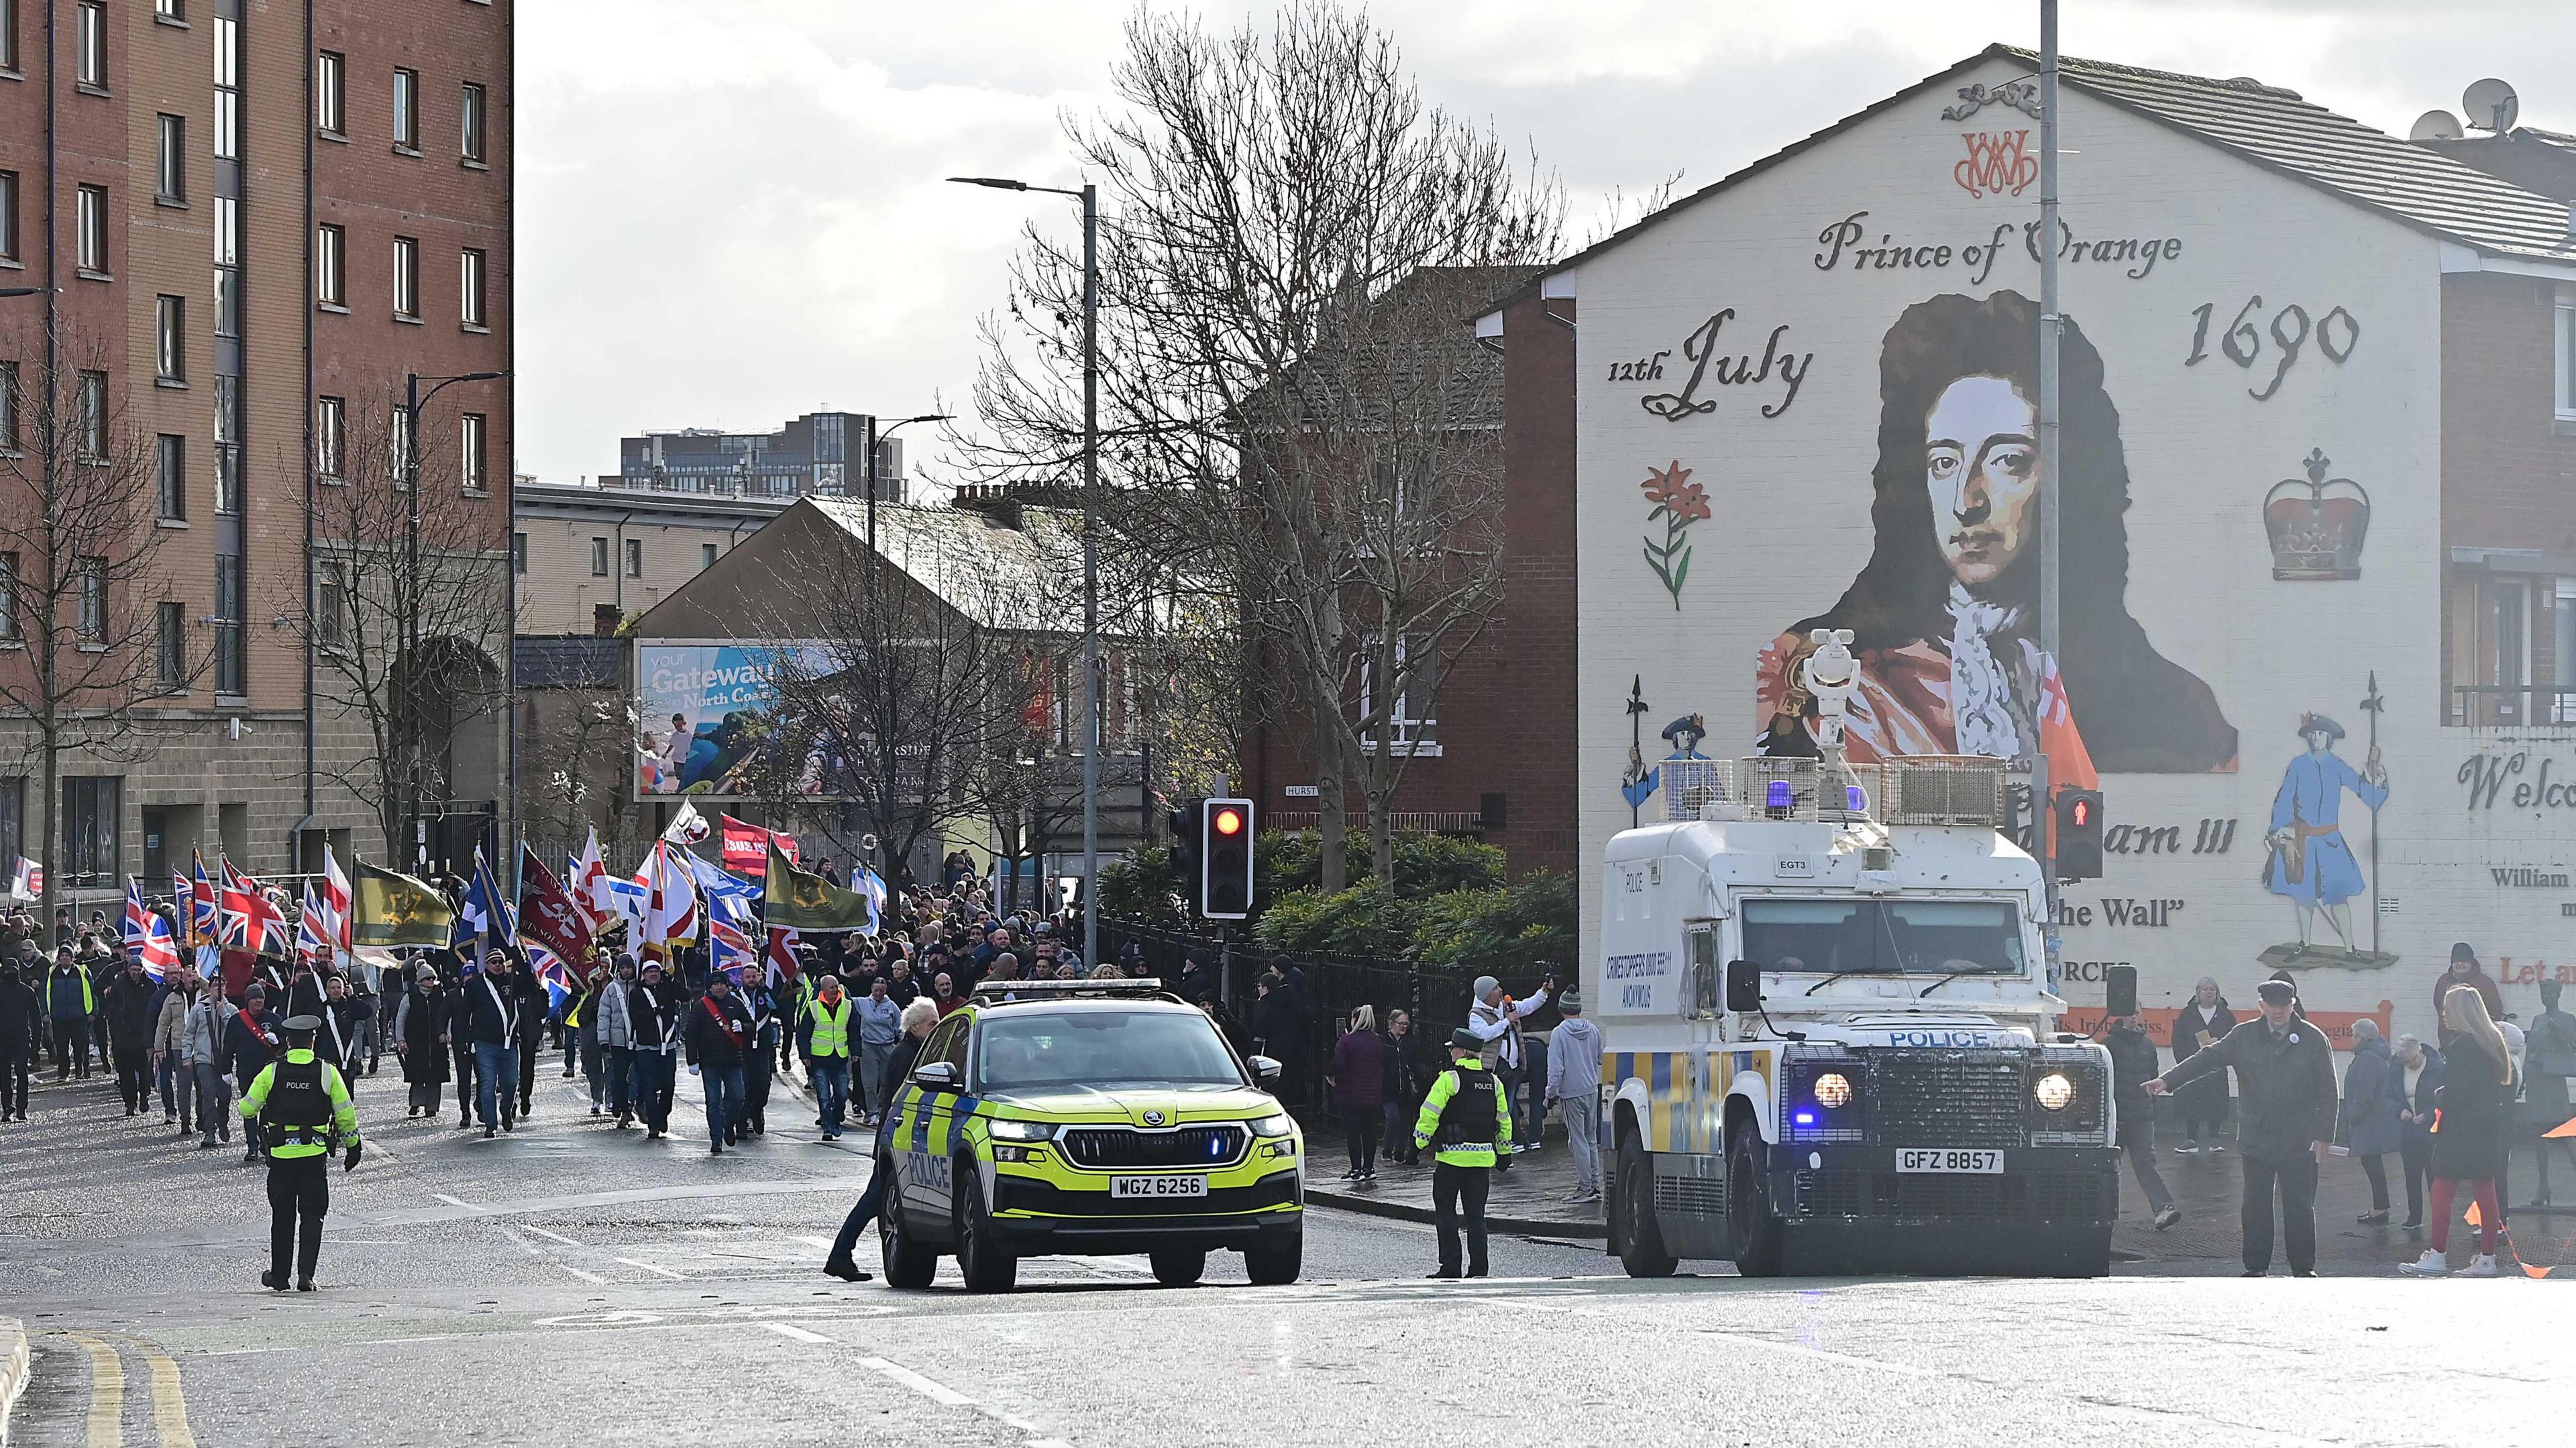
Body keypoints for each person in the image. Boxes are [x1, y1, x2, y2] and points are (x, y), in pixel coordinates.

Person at [1753, 288, 2235, 776]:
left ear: (2064, 479)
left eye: (2008, 460)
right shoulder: (1816, 671)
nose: (1967, 501)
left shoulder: (2175, 706)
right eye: (1944, 461)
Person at [2145, 977, 2334, 1276]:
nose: (2277, 1013)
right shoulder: (2243, 1036)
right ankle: (2256, 1267)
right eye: (2271, 1006)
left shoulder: (2313, 1039)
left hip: (2299, 1138)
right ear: (2261, 1006)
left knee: (2299, 1206)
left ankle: (2303, 1268)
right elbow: (2207, 1059)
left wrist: (2324, 1136)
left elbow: (2328, 1089)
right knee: (2255, 1206)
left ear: (2292, 1006)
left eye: (2283, 1006)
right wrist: (2167, 1081)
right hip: (2256, 1136)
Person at [237, 1013, 362, 1292]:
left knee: (282, 1217)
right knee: (313, 1215)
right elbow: (345, 1114)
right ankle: (306, 1275)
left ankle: (280, 1276)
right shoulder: (327, 1072)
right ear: (313, 1041)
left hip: (281, 1158)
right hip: (313, 1157)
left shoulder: (271, 1072)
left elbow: (247, 1109)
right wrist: (353, 1147)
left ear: (289, 1042)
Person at [822, 997, 943, 1282]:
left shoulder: (912, 1051)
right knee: (875, 1201)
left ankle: (843, 1255)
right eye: (932, 1023)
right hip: (896, 1139)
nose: (936, 1027)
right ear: (914, 1027)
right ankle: (841, 1255)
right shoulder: (907, 1056)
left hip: (893, 1139)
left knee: (877, 1201)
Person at [2402, 987, 2516, 1276]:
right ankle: (2487, 1259)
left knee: (2441, 1190)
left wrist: (2440, 1096)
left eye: (2446, 1008)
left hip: (2460, 1130)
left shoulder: (2461, 1046)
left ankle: (2437, 1255)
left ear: (2459, 1011)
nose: (2443, 1014)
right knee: (2486, 1192)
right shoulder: (2493, 1043)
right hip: (2488, 1129)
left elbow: (2457, 1093)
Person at [1413, 1028, 1513, 1279]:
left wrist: (1417, 1143)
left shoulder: (1450, 1079)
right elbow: (1504, 1121)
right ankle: (1479, 1268)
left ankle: (1450, 1267)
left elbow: (1430, 1113)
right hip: (1481, 1162)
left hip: (1451, 1160)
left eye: (1452, 1048)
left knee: (1446, 1212)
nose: (1450, 1051)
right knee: (1476, 1216)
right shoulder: (1494, 1082)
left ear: (1462, 1052)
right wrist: (1504, 1152)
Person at [2096, 1010, 2181, 1230]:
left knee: (2145, 1163)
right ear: (2122, 1016)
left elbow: (2153, 1077)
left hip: (2141, 1115)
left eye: (2137, 1013)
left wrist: (2151, 1107)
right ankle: (2098, 1211)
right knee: (2108, 1165)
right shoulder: (2108, 1044)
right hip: (2118, 1115)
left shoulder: (2148, 1045)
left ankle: (2163, 1208)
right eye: (2130, 1013)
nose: (2134, 1017)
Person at [1466, 973, 1550, 1150]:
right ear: (1487, 995)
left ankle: (1516, 1140)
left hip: (1514, 1066)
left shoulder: (1506, 1006)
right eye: (1496, 989)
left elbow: (1528, 1006)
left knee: (1509, 1104)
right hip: (1495, 1069)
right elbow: (1483, 1035)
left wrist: (1543, 993)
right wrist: (1506, 1022)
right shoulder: (1476, 1015)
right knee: (1506, 1105)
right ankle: (1514, 1140)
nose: (1501, 991)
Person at [2337, 1018, 2404, 1225]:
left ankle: (2380, 1209)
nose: (2352, 1039)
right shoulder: (2376, 1055)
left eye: (2355, 1035)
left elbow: (2365, 1092)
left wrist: (2353, 1115)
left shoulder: (2367, 1058)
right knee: (2373, 1164)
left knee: (2372, 1164)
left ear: (2363, 1038)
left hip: (2368, 1121)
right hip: (2374, 1119)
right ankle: (2380, 1207)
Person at [683, 972, 753, 1155]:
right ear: (710, 988)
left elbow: (750, 1025)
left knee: (738, 1096)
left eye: (722, 984)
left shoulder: (736, 1003)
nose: (719, 988)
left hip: (732, 1060)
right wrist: (692, 1060)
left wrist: (742, 1027)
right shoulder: (701, 1007)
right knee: (714, 1102)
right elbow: (690, 1033)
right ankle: (716, 1139)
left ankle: (728, 1126)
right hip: (709, 1062)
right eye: (715, 985)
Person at [1546, 990, 1605, 1204]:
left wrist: (1550, 1094)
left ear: (1562, 1009)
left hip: (1571, 1093)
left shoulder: (1559, 1034)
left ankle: (1584, 1188)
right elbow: (1600, 1058)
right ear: (1579, 1009)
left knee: (1578, 1140)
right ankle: (1595, 1185)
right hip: (1591, 1090)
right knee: (1591, 1140)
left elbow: (1555, 1069)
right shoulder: (1593, 1030)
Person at [2521, 979, 2576, 1207]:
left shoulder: (2567, 1019)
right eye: (2543, 993)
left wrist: (2559, 1033)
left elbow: (2572, 1049)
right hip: (2536, 1083)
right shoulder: (2537, 1020)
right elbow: (2531, 1050)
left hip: (2554, 1085)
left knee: (2566, 1135)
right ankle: (2543, 1186)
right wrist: (2523, 1078)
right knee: (2539, 1138)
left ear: (2558, 995)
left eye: (2550, 993)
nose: (2546, 996)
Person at [2169, 977, 2235, 1153]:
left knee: (2216, 1101)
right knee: (2191, 1102)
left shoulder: (2226, 1015)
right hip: (2193, 1066)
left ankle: (2214, 1139)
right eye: (2205, 989)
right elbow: (2178, 1038)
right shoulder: (2188, 1014)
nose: (2209, 992)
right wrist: (2183, 1060)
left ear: (2217, 993)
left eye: (2212, 989)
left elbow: (2233, 1039)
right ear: (2198, 992)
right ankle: (2191, 1140)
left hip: (2216, 1066)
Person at [1326, 1005, 1387, 1182]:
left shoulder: (1347, 1041)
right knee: (1369, 1131)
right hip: (1373, 1093)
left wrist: (1328, 1074)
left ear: (1354, 1020)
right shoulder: (1377, 1041)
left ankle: (1356, 1169)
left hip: (1351, 1094)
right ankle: (1369, 1168)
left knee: (1354, 1132)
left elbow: (1338, 1064)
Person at [2393, 1034, 2445, 1233]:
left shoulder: (2437, 1068)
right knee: (2411, 1176)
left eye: (2412, 1061)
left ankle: (2439, 1217)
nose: (2410, 1065)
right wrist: (2400, 1110)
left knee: (2435, 1176)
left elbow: (2444, 1097)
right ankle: (2414, 1217)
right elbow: (2388, 1095)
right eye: (2406, 1062)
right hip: (2408, 1131)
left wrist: (2428, 1115)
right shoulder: (2396, 1067)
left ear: (2420, 1053)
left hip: (2431, 1131)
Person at [625, 960, 682, 1140]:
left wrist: (671, 981)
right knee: (648, 1086)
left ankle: (663, 1113)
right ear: (644, 975)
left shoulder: (668, 989)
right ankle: (653, 1124)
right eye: (650, 972)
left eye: (657, 971)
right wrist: (656, 1010)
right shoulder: (637, 993)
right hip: (646, 1047)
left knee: (669, 1085)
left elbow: (686, 996)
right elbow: (636, 1016)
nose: (654, 975)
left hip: (668, 1046)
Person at [227, 986, 284, 1161]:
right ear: (248, 1000)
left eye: (261, 998)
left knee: (268, 1110)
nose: (258, 1001)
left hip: (269, 1073)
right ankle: (252, 1145)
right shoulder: (237, 1021)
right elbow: (228, 1048)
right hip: (247, 1072)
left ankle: (265, 1142)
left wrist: (278, 1041)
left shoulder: (274, 1020)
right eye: (254, 998)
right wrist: (225, 1070)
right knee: (249, 1110)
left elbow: (286, 1046)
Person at [101, 957, 160, 1117]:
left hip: (143, 1034)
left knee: (145, 1071)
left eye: (138, 969)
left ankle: (144, 1096)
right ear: (128, 969)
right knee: (126, 1073)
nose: (136, 973)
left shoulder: (150, 986)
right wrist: (118, 1017)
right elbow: (110, 1007)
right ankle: (130, 1103)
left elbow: (155, 1007)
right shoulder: (119, 985)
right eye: (133, 969)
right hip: (123, 1036)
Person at [393, 965, 450, 1120]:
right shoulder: (410, 996)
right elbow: (400, 1019)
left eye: (433, 978)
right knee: (417, 1074)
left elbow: (447, 1015)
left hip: (436, 1041)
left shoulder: (441, 995)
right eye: (427, 978)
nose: (431, 981)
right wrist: (400, 1039)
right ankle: (416, 1102)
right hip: (416, 1041)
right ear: (420, 980)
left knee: (435, 1075)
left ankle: (432, 1107)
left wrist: (447, 1033)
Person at [802, 974, 854, 1140]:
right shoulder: (813, 1007)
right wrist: (805, 1055)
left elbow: (854, 1030)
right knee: (823, 1096)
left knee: (842, 1093)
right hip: (819, 1059)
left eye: (837, 986)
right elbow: (803, 1033)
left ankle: (836, 1116)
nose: (836, 990)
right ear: (823, 990)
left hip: (839, 1058)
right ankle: (827, 1126)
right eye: (832, 987)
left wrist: (856, 1052)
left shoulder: (848, 1006)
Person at [2432, 944, 2504, 1048]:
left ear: (2471, 962)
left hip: (2477, 1043)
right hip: (2447, 1041)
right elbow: (2438, 1004)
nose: (2460, 964)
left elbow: (2495, 1010)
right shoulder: (2443, 982)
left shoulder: (2484, 983)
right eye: (2457, 961)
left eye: (2464, 961)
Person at [854, 974, 901, 1129]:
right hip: (868, 1046)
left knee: (885, 1081)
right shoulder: (862, 1003)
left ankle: (882, 1108)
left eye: (882, 991)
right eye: (876, 991)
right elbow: (846, 1001)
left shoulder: (892, 1006)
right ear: (872, 990)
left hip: (887, 1046)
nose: (879, 994)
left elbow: (899, 1026)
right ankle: (872, 1111)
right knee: (869, 1082)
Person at [594, 956, 635, 1123]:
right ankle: (621, 1105)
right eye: (623, 967)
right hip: (618, 1041)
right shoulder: (611, 989)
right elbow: (604, 1015)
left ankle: (634, 1105)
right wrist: (604, 1039)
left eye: (629, 967)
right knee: (619, 1076)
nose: (626, 971)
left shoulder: (639, 988)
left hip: (637, 1041)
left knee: (637, 1077)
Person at [46, 946, 95, 1081]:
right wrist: (45, 1012)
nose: (65, 958)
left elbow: (92, 990)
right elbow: (44, 993)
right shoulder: (52, 973)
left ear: (72, 958)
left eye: (67, 955)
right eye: (62, 956)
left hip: (79, 1016)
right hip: (59, 1016)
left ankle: (79, 1069)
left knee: (79, 1045)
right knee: (61, 1047)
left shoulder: (82, 971)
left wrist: (93, 1011)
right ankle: (63, 1073)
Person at [739, 972, 778, 1137]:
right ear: (742, 978)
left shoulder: (764, 994)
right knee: (745, 1086)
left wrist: (764, 987)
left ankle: (756, 1110)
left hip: (762, 1048)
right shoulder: (736, 996)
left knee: (763, 1086)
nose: (751, 980)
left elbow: (777, 1006)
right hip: (742, 1047)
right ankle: (743, 1121)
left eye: (754, 976)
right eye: (748, 977)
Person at [0, 960, 38, 1121]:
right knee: (4, 1074)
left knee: (21, 1071)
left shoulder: (27, 991)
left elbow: (36, 1018)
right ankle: (7, 1108)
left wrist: (36, 1043)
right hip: (3, 1039)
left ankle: (21, 1108)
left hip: (22, 1038)